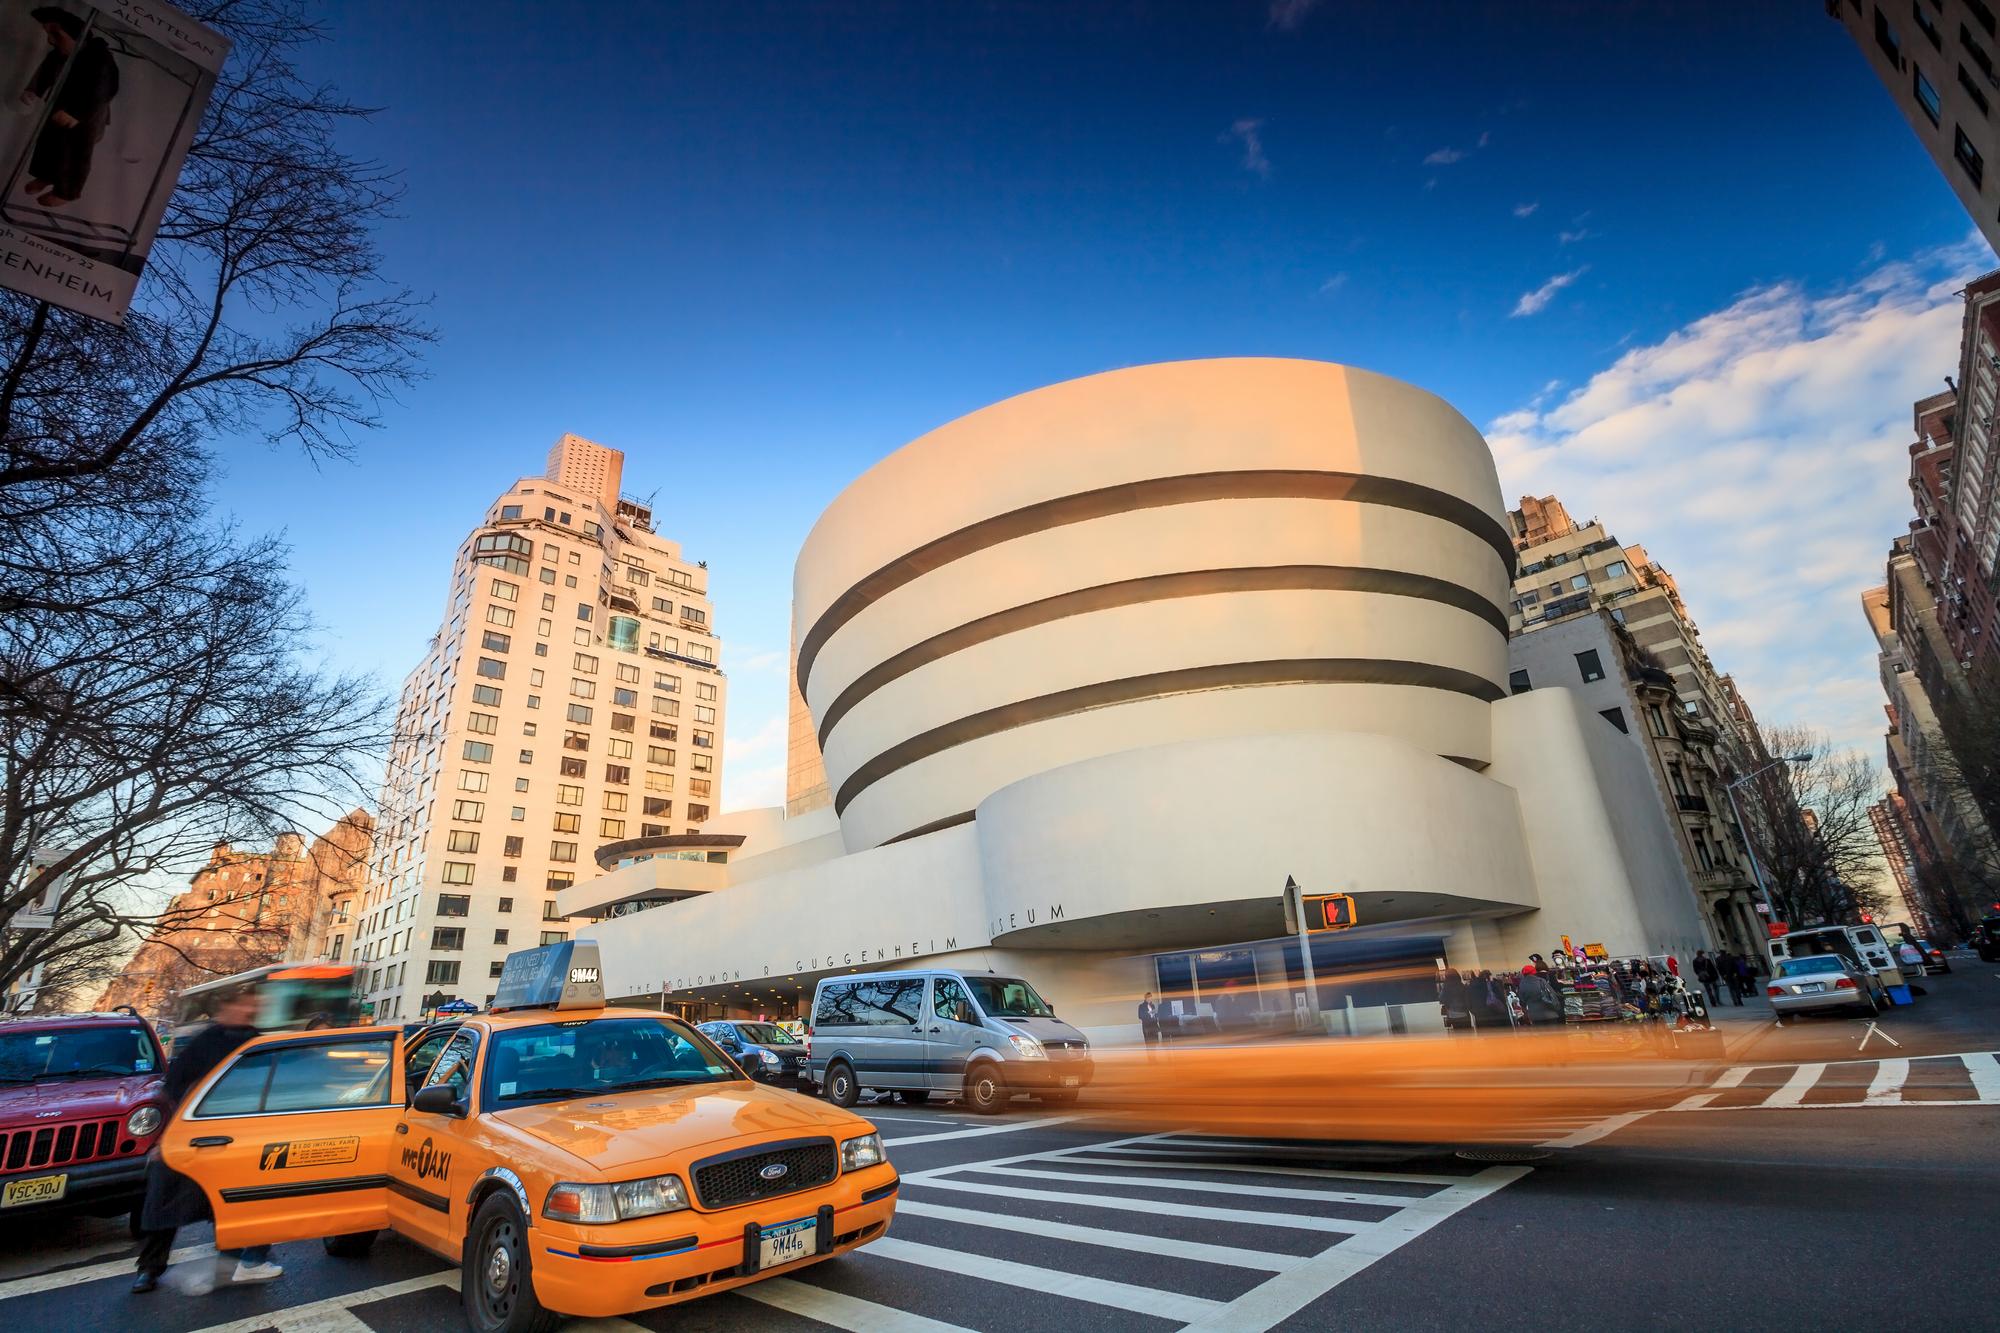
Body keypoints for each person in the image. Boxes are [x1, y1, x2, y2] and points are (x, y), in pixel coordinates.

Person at [133, 989, 281, 1294]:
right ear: (227, 1006)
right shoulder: (206, 1041)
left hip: (238, 1133)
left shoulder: (257, 1041)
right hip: (193, 1132)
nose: (252, 1009)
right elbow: (173, 1089)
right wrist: (165, 1139)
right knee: (165, 1202)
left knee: (239, 1201)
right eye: (247, 1004)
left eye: (254, 1005)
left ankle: (244, 1258)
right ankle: (149, 1269)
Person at [20, 7, 120, 208]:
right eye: (48, 34)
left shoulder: (99, 57)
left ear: (75, 33)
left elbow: (104, 89)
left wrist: (77, 113)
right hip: (61, 107)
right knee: (49, 142)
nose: (50, 40)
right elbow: (47, 71)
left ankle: (67, 191)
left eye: (55, 34)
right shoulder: (60, 54)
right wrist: (34, 90)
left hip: (88, 115)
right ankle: (47, 175)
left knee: (75, 151)